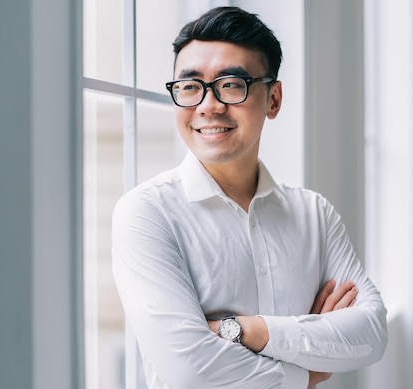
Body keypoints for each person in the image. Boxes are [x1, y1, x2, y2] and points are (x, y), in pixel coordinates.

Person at [112, 6, 387, 389]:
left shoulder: (314, 215)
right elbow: (190, 372)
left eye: (230, 84)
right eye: (190, 87)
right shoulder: (146, 214)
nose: (208, 105)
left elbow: (371, 333)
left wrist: (244, 330)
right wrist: (307, 371)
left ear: (273, 99)